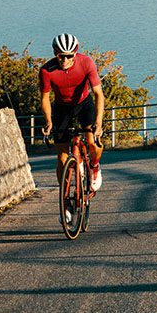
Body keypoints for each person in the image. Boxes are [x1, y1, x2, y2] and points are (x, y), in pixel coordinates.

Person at [40, 33, 105, 196]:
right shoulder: (46, 70)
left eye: (69, 56)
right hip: (61, 108)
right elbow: (45, 98)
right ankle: (64, 197)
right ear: (55, 53)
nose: (64, 60)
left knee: (93, 142)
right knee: (62, 155)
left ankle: (94, 166)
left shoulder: (86, 63)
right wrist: (48, 122)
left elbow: (98, 93)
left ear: (75, 53)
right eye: (60, 56)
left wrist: (99, 122)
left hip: (84, 104)